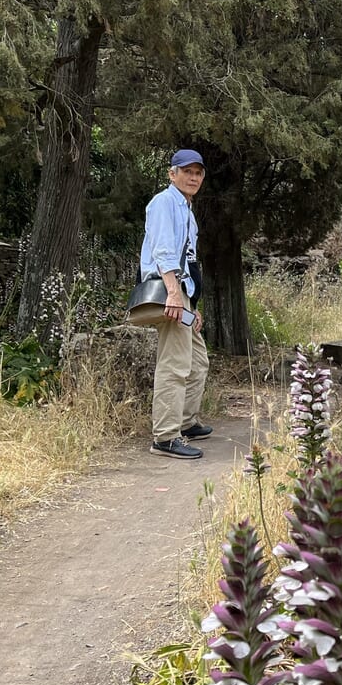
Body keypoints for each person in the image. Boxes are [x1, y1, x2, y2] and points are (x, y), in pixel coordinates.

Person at [139, 148, 211, 460]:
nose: (193, 177)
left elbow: (190, 261)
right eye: (187, 171)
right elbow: (163, 251)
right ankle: (166, 437)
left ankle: (186, 421)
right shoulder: (164, 203)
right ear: (172, 174)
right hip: (171, 289)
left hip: (184, 292)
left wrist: (192, 305)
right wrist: (173, 293)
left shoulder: (186, 210)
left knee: (198, 362)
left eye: (198, 172)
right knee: (174, 363)